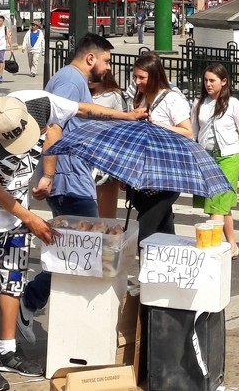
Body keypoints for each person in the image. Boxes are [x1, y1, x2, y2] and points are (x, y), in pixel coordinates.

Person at [17, 33, 146, 343]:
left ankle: (63, 313)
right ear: (91, 58)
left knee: (78, 251)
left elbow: (86, 114)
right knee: (81, 252)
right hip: (68, 181)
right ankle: (32, 300)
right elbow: (53, 127)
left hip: (74, 178)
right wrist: (49, 175)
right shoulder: (69, 81)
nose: (108, 67)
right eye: (106, 61)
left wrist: (126, 118)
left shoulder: (74, 81)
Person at [0, 93, 66, 390]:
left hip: (17, 218)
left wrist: (48, 173)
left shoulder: (37, 106)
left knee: (13, 280)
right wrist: (32, 219)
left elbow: (60, 124)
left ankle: (7, 350)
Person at [191, 63, 239, 259]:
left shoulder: (233, 104)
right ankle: (232, 245)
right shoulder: (198, 104)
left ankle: (213, 251)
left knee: (217, 204)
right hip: (206, 158)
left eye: (212, 81)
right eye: (205, 80)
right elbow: (193, 133)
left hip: (228, 158)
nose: (208, 84)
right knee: (221, 207)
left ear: (223, 82)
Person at [129, 51, 193, 244]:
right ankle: (169, 260)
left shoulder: (172, 99)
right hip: (145, 174)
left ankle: (147, 263)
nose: (137, 82)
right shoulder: (140, 98)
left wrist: (158, 125)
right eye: (135, 77)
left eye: (142, 77)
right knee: (164, 229)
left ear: (155, 76)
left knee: (144, 233)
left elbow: (188, 132)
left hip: (167, 174)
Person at [88, 69, 128, 218]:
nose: (89, 79)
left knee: (106, 215)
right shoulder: (81, 94)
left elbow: (123, 128)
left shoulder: (113, 96)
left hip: (106, 159)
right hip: (84, 157)